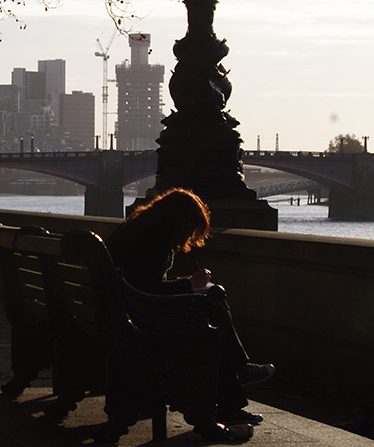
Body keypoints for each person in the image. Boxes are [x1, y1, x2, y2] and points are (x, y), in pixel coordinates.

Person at [104, 188, 274, 438]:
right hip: (138, 320)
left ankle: (233, 395)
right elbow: (148, 288)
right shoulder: (154, 237)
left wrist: (187, 282)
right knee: (210, 313)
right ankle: (237, 378)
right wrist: (189, 285)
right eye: (191, 229)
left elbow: (139, 282)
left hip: (117, 312)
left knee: (209, 319)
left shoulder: (140, 227)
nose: (189, 236)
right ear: (180, 221)